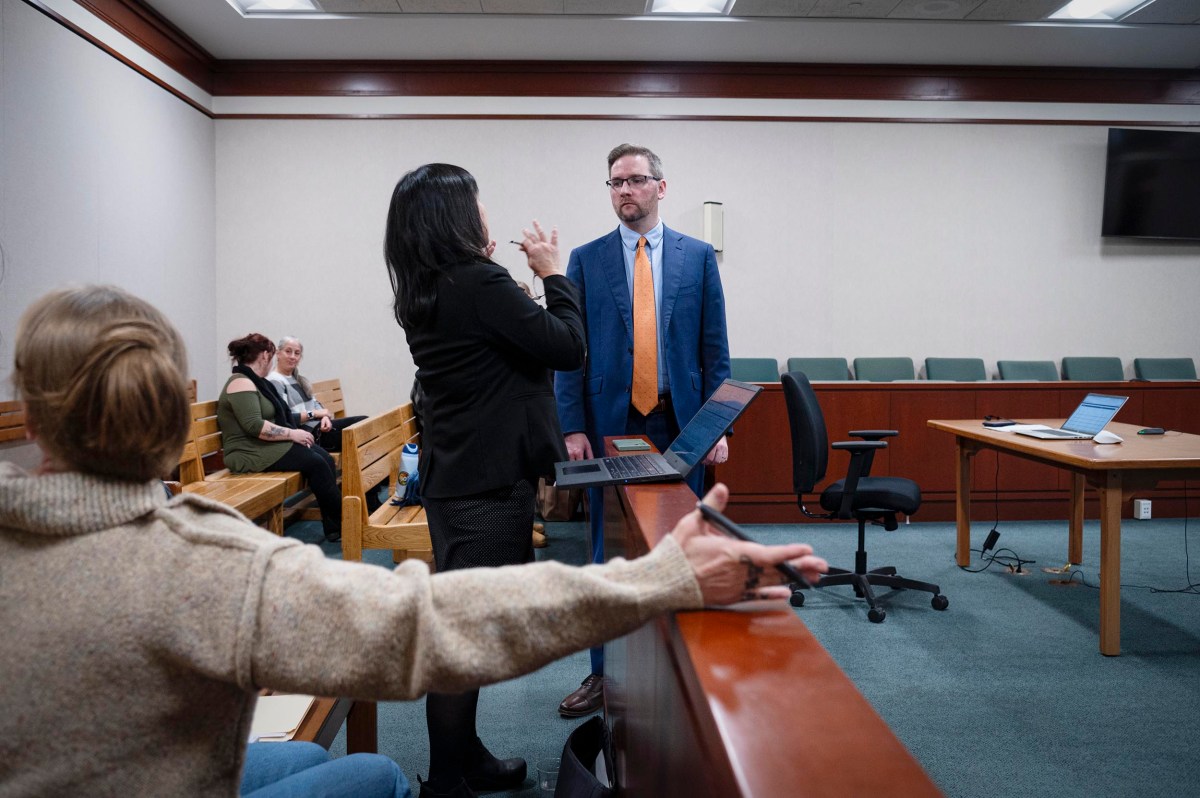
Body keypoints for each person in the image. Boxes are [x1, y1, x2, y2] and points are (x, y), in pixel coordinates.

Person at [0, 284, 826, 797]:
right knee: (379, 776)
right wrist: (663, 577)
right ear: (177, 418)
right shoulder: (203, 569)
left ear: (28, 421)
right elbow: (433, 624)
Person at [383, 163, 581, 797]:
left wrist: (506, 286)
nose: (485, 213)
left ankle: (467, 758)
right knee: (465, 641)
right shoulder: (476, 281)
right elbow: (566, 346)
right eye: (476, 203)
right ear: (455, 218)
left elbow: (502, 354)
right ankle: (446, 782)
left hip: (456, 477)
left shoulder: (426, 285)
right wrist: (552, 274)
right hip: (485, 486)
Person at [554, 143, 732, 718]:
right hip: (612, 425)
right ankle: (604, 674)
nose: (623, 191)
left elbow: (714, 353)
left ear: (661, 186)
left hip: (680, 426)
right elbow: (570, 353)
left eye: (634, 181)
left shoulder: (698, 257)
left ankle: (683, 672)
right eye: (614, 183)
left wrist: (716, 426)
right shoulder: (586, 258)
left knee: (684, 547)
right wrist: (571, 426)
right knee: (610, 556)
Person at [220, 333, 342, 543]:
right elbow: (254, 426)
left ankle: (333, 528)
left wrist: (295, 432)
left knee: (325, 458)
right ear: (266, 355)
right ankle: (346, 521)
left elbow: (272, 419)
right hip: (247, 451)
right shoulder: (240, 382)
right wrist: (292, 434)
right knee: (316, 463)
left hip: (261, 445)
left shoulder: (255, 381)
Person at [268, 335, 366, 452]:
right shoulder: (275, 381)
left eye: (297, 353)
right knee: (362, 429)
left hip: (321, 427)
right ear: (278, 353)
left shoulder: (297, 379)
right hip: (309, 435)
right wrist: (315, 414)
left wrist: (324, 417)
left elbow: (314, 403)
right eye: (288, 351)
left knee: (365, 422)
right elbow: (285, 417)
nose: (293, 357)